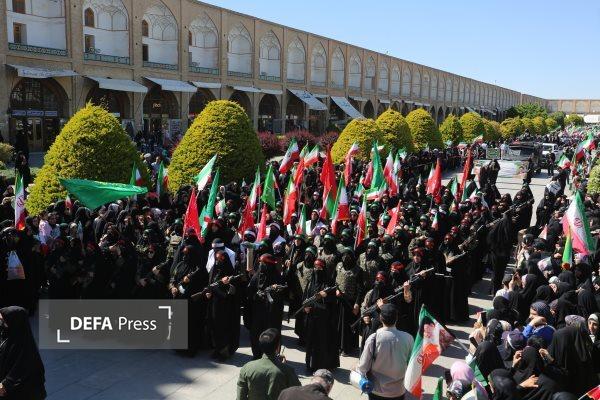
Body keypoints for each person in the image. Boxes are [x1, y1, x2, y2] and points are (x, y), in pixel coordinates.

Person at [357, 303, 414, 400]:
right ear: (396, 318)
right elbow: (412, 364)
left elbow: (363, 367)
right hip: (398, 391)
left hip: (376, 390)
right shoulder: (408, 338)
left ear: (380, 318)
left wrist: (356, 369)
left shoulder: (373, 338)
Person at [237, 328, 300, 400]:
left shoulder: (247, 368)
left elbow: (240, 397)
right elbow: (298, 393)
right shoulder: (288, 371)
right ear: (278, 347)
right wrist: (284, 367)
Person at [0, 306, 46, 399]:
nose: (1, 323)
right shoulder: (6, 335)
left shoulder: (25, 348)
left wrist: (6, 384)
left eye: (3, 320)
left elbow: (22, 369)